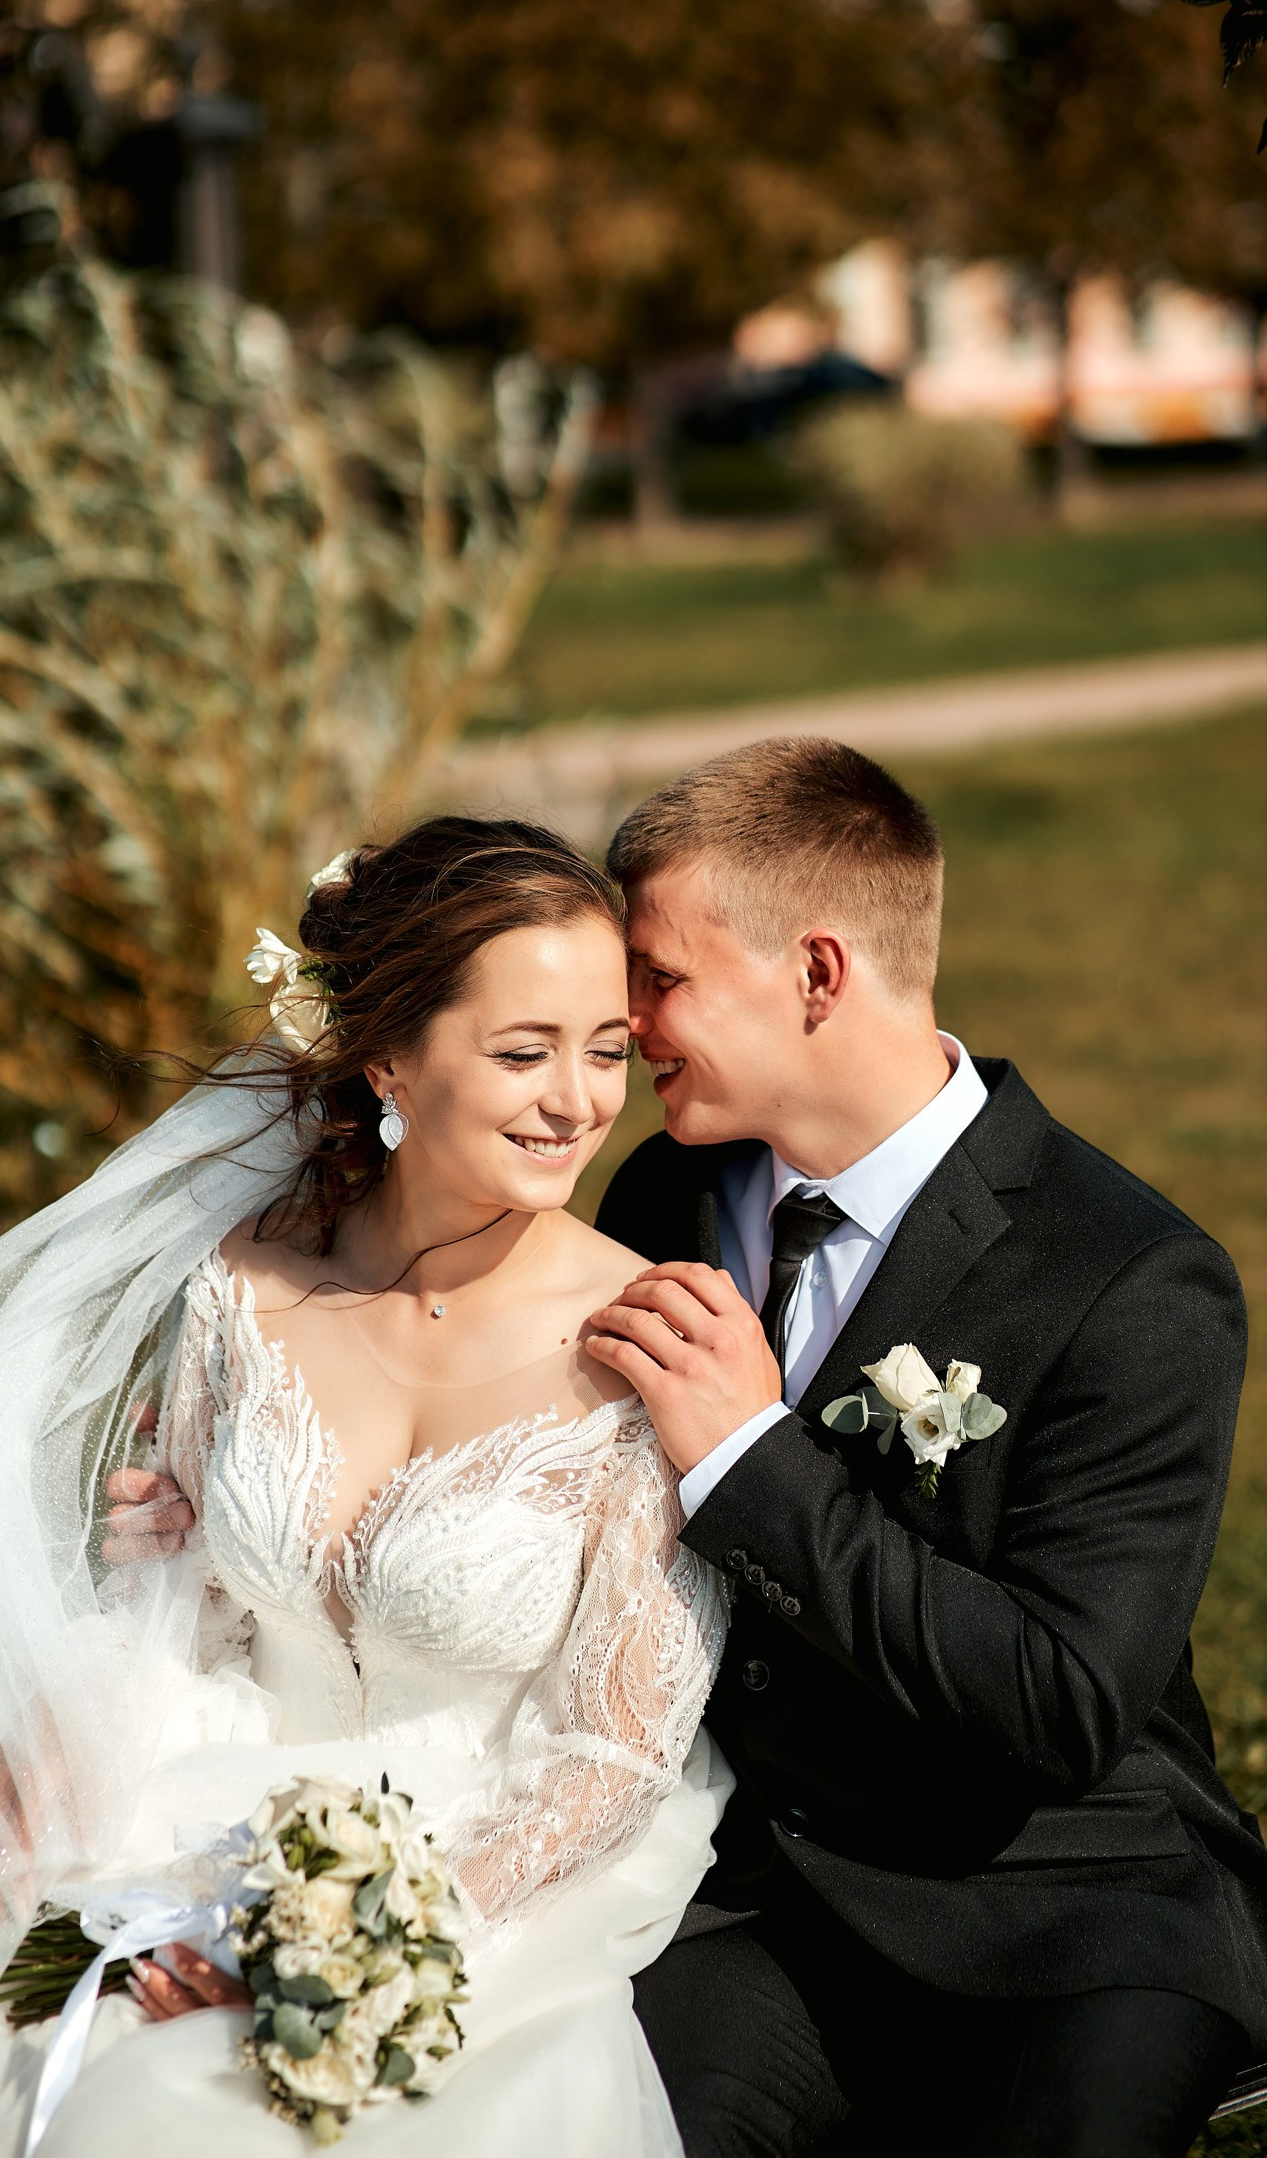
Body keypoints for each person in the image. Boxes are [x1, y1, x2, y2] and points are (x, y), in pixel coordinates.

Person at [97, 739, 1267, 2155]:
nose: (625, 1032)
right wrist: (218, 1511)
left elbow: (1064, 1702)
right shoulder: (663, 1184)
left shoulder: (1128, 1278)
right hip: (750, 1901)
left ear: (818, 975)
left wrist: (750, 1460)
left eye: (658, 981)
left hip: (1062, 1909)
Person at [0, 817, 732, 2158]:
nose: (580, 1102)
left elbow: (609, 1758)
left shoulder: (643, 1344)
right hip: (202, 1783)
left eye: (606, 1050)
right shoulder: (247, 1284)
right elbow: (183, 1605)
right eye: (524, 1052)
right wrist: (55, 1740)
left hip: (473, 1878)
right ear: (388, 1059)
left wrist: (357, 1957)